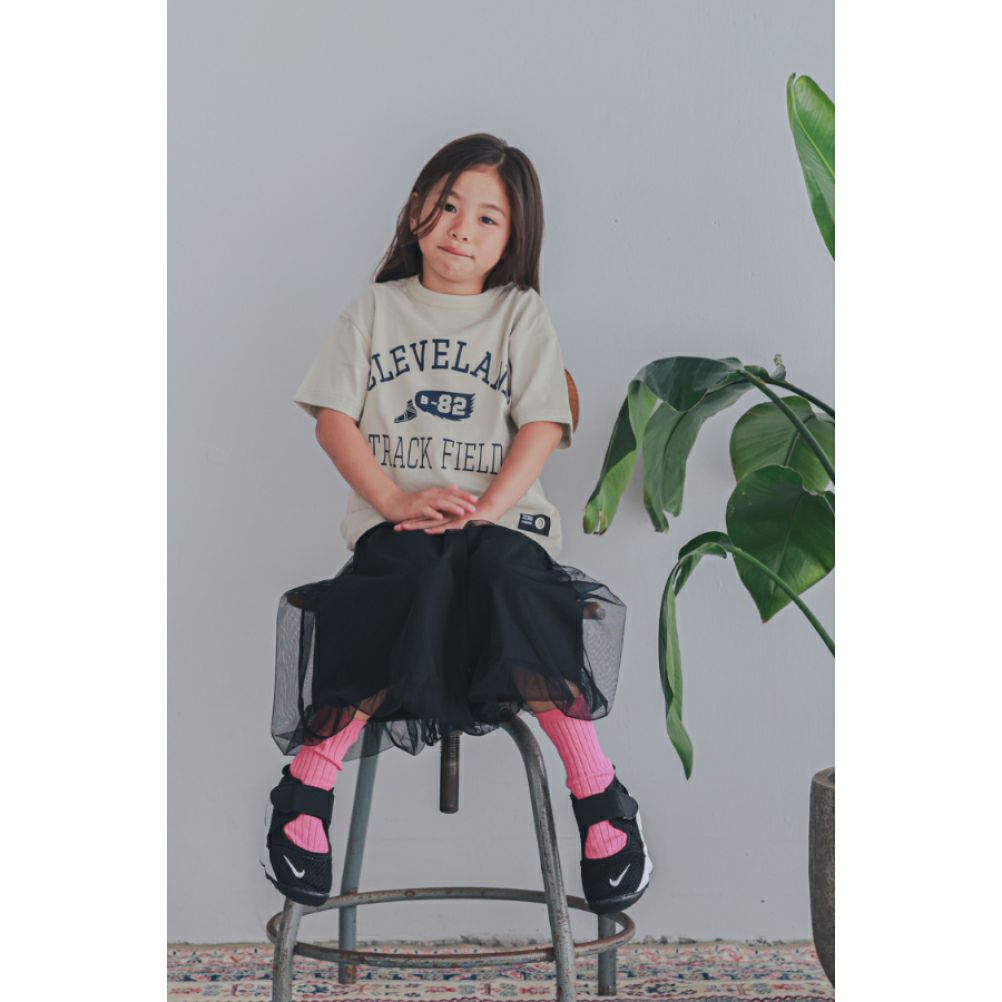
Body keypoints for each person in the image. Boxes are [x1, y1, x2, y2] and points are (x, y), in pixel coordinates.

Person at [261, 132, 652, 916]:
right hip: (403, 534)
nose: (460, 229)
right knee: (397, 576)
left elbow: (543, 425)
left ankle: (594, 785)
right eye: (446, 206)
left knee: (505, 573)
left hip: (501, 532)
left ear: (514, 238)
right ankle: (309, 781)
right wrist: (396, 503)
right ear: (415, 211)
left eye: (486, 218)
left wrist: (488, 511)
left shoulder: (519, 315)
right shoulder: (374, 311)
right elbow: (334, 420)